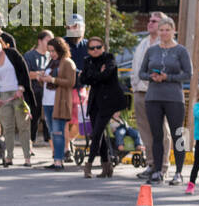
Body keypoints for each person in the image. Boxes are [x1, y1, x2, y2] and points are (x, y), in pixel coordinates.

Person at [139, 16, 192, 184]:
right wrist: (152, 77)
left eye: (167, 30)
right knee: (157, 135)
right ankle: (157, 171)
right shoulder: (151, 50)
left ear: (173, 31)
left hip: (174, 97)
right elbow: (141, 73)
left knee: (178, 134)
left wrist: (168, 77)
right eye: (161, 30)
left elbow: (188, 74)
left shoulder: (181, 51)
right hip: (153, 97)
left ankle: (179, 172)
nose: (164, 33)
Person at [79, 36, 128, 178]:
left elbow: (106, 76)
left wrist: (93, 75)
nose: (95, 50)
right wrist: (97, 74)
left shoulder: (109, 58)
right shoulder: (87, 60)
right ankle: (107, 166)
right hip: (94, 101)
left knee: (96, 133)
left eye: (98, 47)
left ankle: (88, 165)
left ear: (103, 48)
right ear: (88, 50)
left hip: (109, 101)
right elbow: (83, 79)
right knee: (98, 133)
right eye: (92, 48)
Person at [0, 33, 36, 166]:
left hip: (18, 94)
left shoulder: (12, 54)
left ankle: (27, 157)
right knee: (7, 127)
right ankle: (9, 157)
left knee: (23, 125)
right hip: (3, 96)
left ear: (1, 42)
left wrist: (21, 88)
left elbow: (24, 71)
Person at [130, 11, 169, 179]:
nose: (150, 23)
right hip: (140, 92)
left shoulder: (167, 44)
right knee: (145, 130)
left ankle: (163, 166)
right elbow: (135, 66)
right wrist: (134, 85)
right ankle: (151, 164)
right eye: (150, 20)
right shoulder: (143, 42)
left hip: (158, 92)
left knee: (161, 130)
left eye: (155, 21)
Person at [32, 36, 76, 170]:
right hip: (47, 102)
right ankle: (57, 159)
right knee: (52, 132)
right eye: (49, 51)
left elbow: (71, 82)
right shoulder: (51, 62)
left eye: (53, 51)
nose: (51, 54)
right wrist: (41, 78)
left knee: (58, 132)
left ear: (60, 49)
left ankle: (58, 161)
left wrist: (52, 80)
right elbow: (49, 81)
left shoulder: (67, 62)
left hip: (59, 102)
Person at [24, 30, 54, 143]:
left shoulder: (51, 56)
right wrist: (38, 74)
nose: (51, 43)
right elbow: (24, 74)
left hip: (49, 92)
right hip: (33, 92)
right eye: (48, 40)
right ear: (39, 41)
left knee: (49, 118)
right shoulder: (29, 55)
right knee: (33, 118)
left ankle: (51, 144)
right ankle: (30, 143)